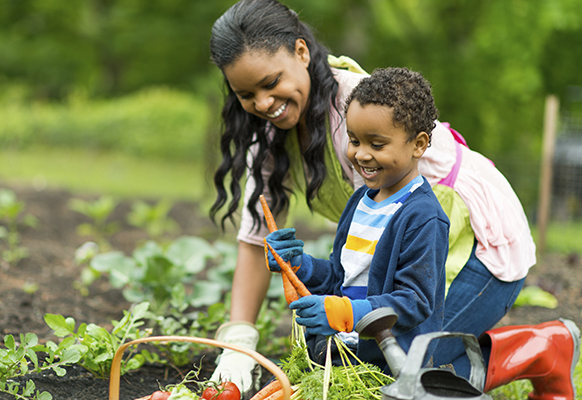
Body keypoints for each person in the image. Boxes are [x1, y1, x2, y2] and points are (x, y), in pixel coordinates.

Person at [208, 0, 579, 398]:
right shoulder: (269, 134)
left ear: (301, 52)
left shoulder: (360, 115)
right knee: (357, 357)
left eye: (270, 82)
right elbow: (258, 240)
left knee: (413, 370)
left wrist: (349, 313)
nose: (263, 104)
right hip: (404, 258)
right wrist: (239, 344)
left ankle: (542, 349)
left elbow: (414, 285)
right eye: (246, 94)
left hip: (479, 243)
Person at [264, 66, 449, 371]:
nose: (361, 155)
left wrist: (346, 313)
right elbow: (342, 278)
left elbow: (414, 302)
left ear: (418, 144)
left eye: (377, 145)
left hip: (388, 368)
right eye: (354, 140)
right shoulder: (359, 201)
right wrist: (301, 266)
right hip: (343, 355)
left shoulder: (423, 217)